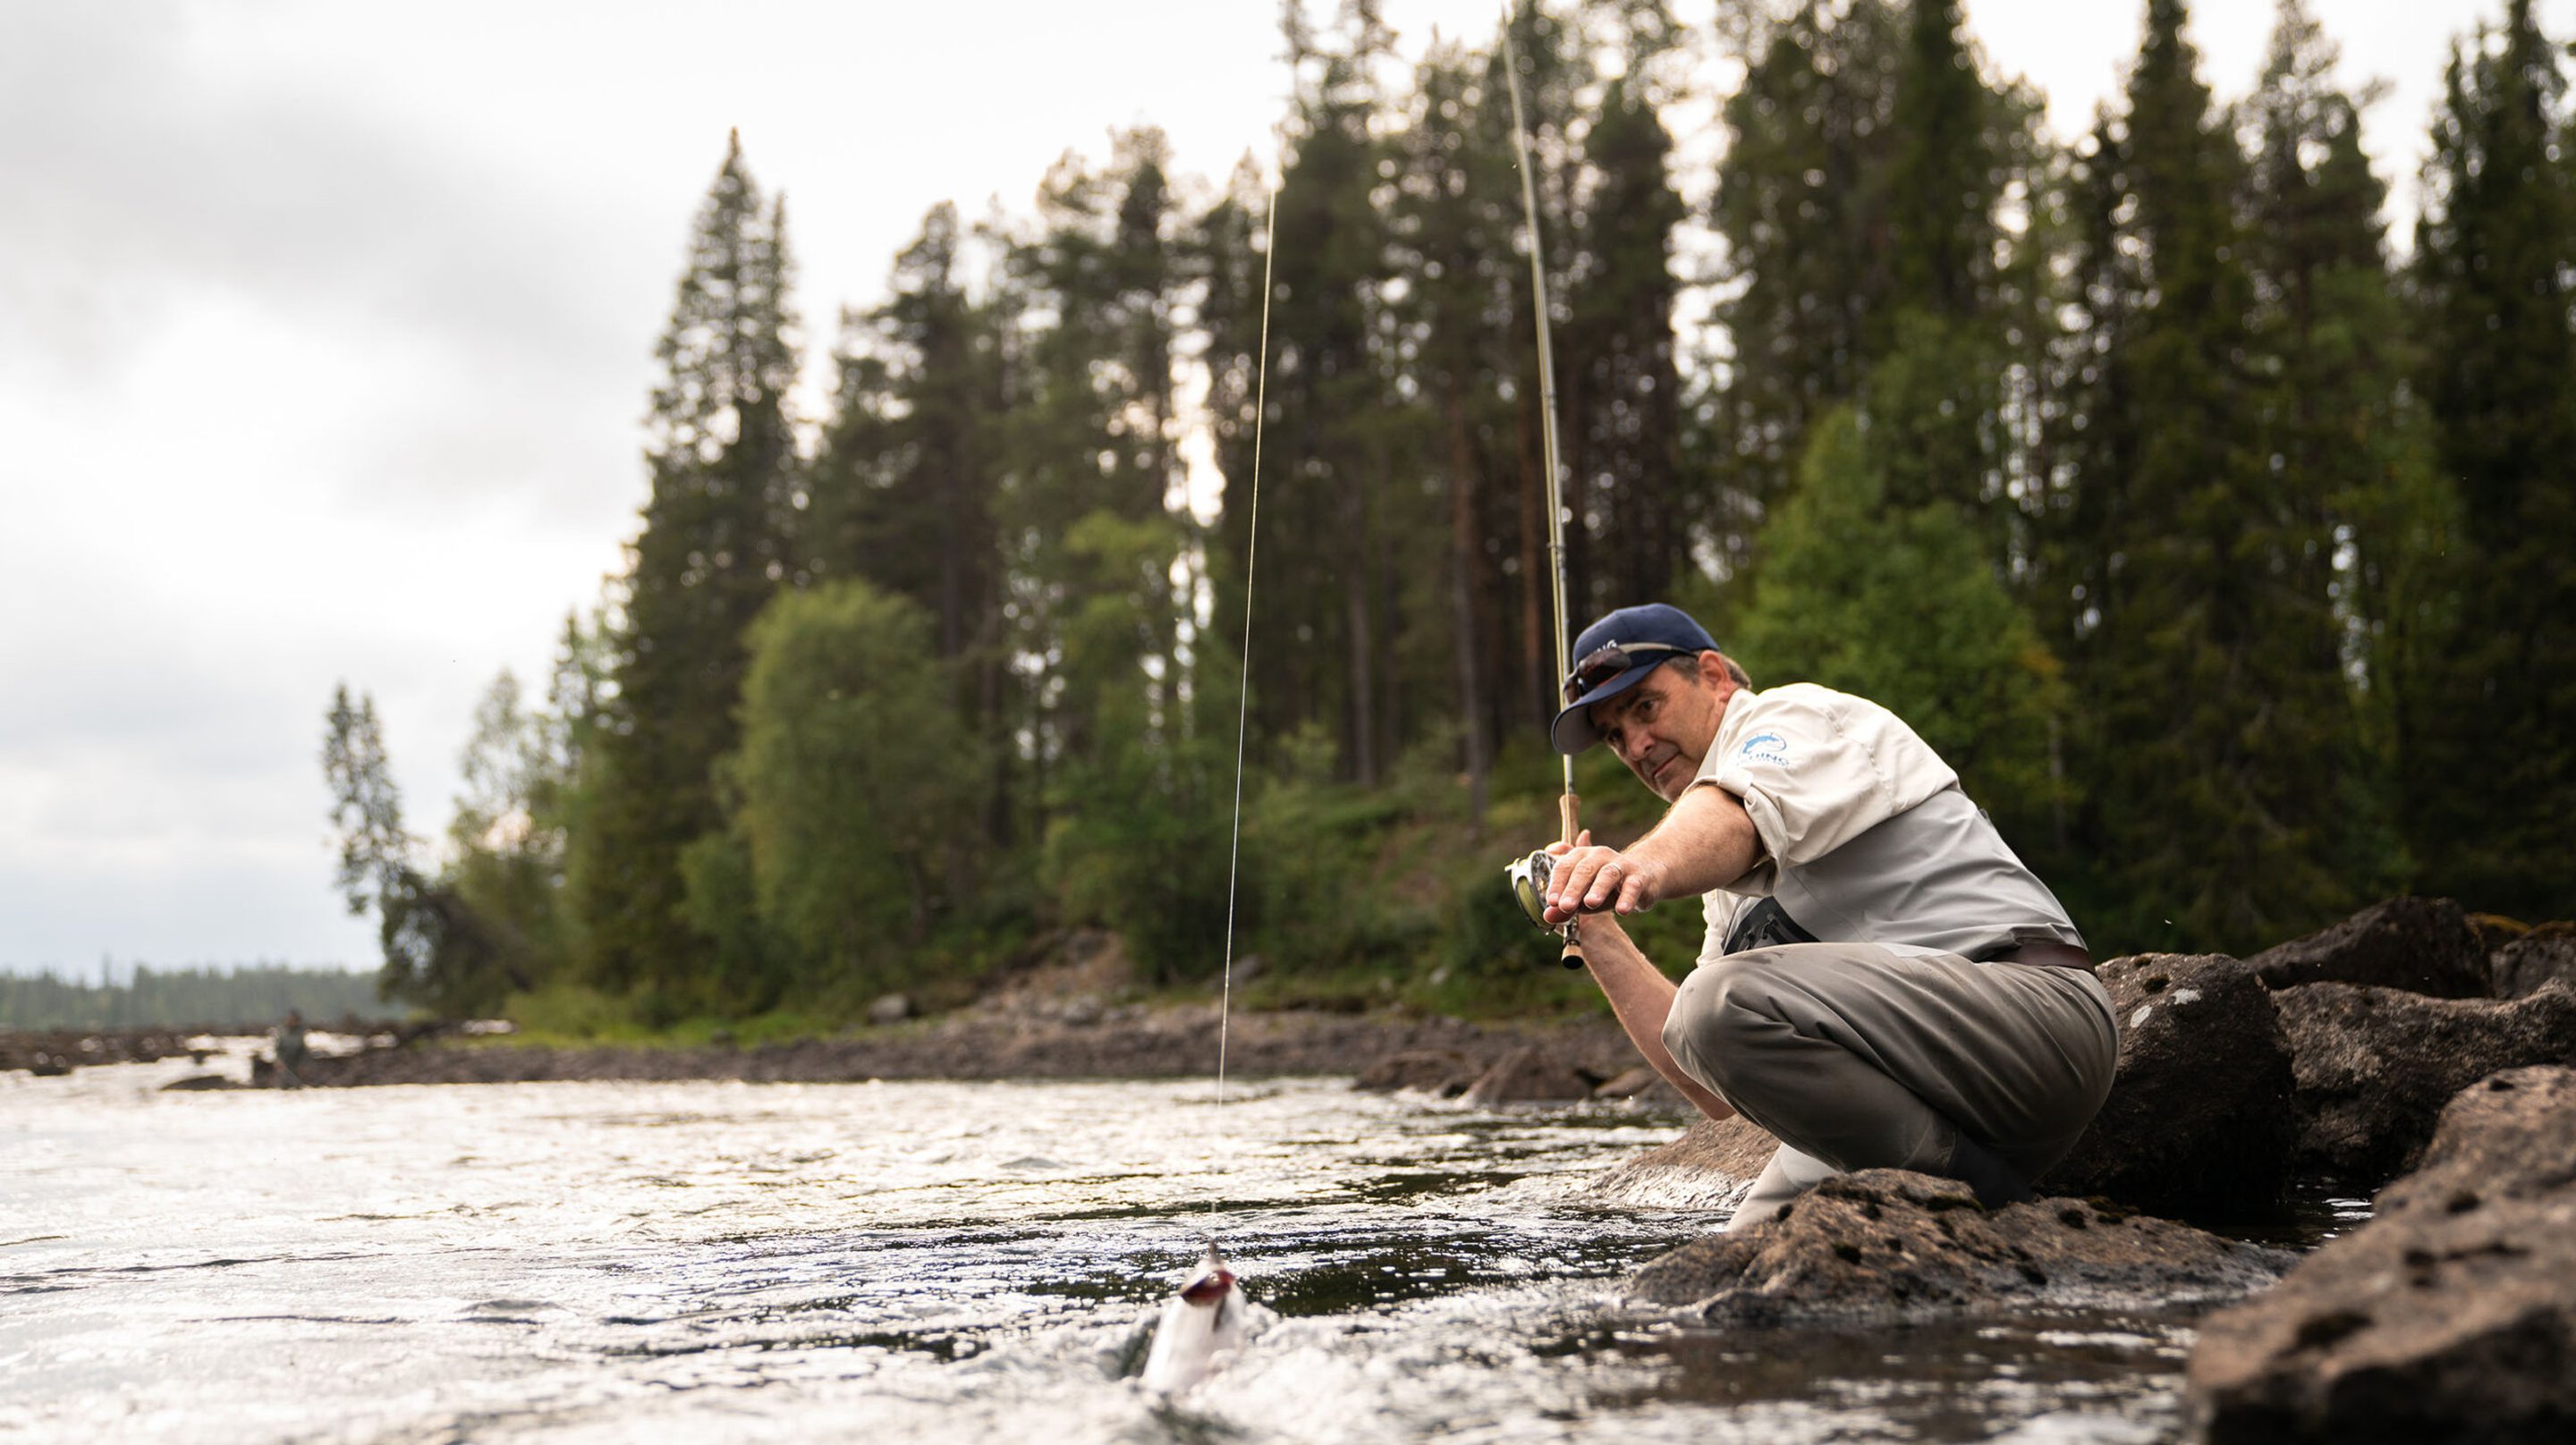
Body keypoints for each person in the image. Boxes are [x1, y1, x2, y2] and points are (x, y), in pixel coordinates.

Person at [1535, 603, 2117, 1221]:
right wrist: (1594, 929)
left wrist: (1635, 865)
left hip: (2033, 1021)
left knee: (1718, 1000)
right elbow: (1710, 1082)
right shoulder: (1722, 892)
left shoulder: (1794, 720)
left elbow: (1732, 818)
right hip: (1915, 1098)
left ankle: (2000, 1211)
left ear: (1713, 676)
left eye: (1644, 707)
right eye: (1614, 736)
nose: (1637, 745)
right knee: (1739, 1271)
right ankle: (1980, 1194)